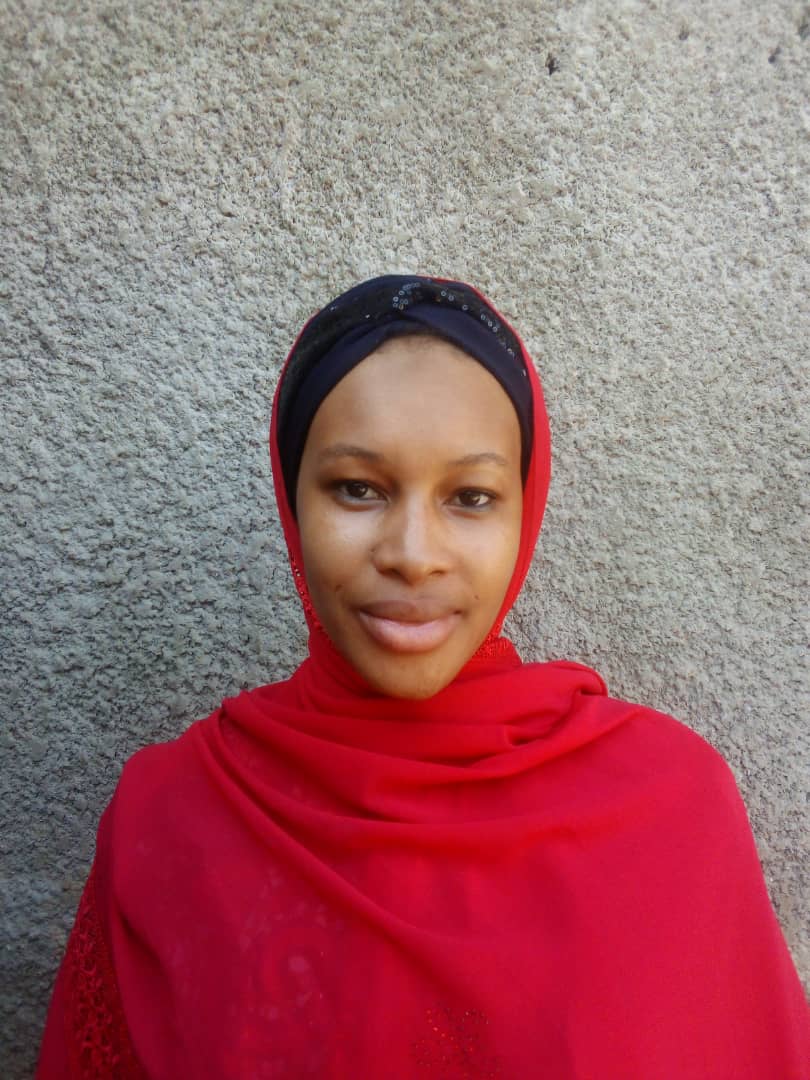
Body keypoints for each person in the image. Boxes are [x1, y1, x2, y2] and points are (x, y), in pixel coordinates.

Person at [37, 275, 809, 1078]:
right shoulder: (171, 821)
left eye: (470, 497)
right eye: (357, 489)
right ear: (292, 499)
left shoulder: (669, 812)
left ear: (524, 509)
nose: (413, 553)